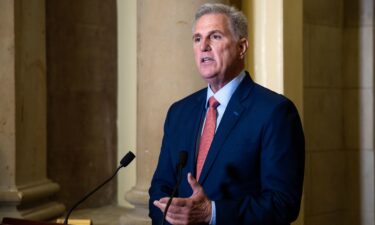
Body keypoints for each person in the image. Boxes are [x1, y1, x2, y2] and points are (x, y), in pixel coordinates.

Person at [149, 3, 304, 225]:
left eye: (215, 36)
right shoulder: (178, 112)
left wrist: (211, 213)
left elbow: (282, 204)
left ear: (241, 47)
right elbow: (160, 188)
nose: (203, 46)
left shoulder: (275, 112)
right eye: (197, 39)